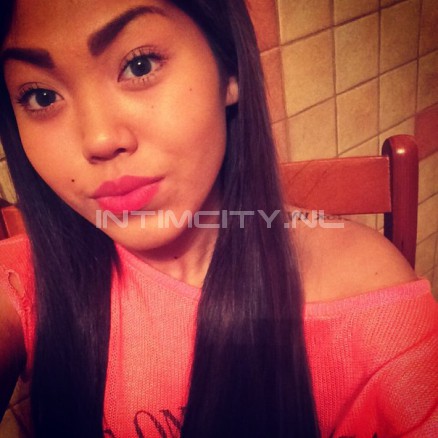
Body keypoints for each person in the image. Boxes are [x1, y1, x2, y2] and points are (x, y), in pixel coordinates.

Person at [0, 0, 436, 437]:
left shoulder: (372, 304)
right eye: (41, 96)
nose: (98, 139)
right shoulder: (28, 282)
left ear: (229, 69)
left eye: (139, 65)